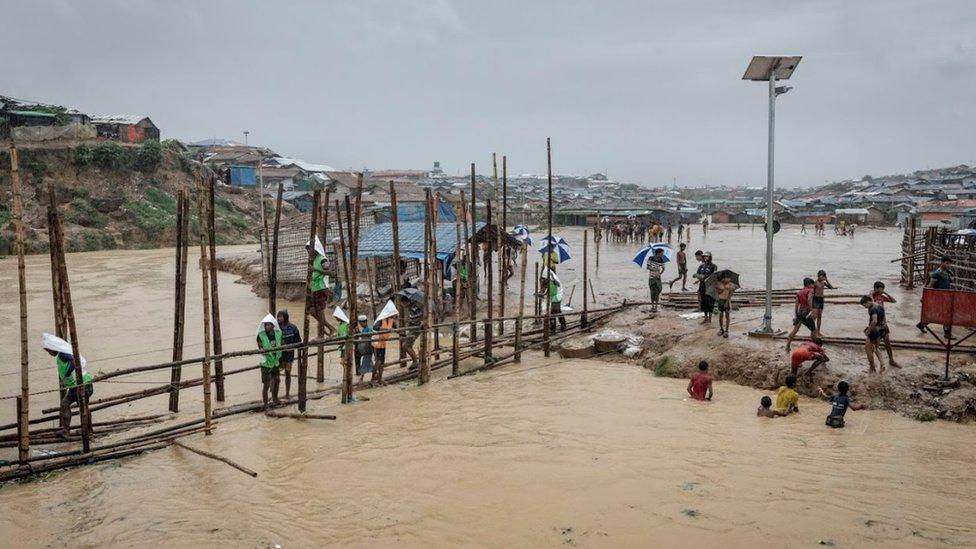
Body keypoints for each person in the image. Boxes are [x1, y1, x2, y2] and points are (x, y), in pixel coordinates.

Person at [43, 333, 93, 437]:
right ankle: (85, 430)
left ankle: (78, 431)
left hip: (80, 384)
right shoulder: (63, 352)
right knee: (79, 406)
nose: (49, 353)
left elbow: (75, 361)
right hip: (80, 384)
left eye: (49, 350)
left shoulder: (62, 354)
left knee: (74, 406)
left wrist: (66, 374)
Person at [917, 256, 953, 335]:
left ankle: (921, 325)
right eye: (947, 263)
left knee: (940, 314)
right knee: (944, 314)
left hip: (946, 297)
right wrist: (924, 297)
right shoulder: (937, 273)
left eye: (949, 264)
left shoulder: (946, 272)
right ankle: (947, 333)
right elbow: (930, 285)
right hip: (939, 297)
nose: (948, 265)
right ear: (942, 263)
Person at [306, 238, 336, 336]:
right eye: (307, 250)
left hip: (321, 288)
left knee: (319, 311)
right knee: (311, 310)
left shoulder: (322, 259)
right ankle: (329, 328)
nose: (308, 252)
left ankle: (323, 333)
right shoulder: (313, 260)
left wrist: (315, 270)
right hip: (314, 288)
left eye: (310, 249)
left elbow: (330, 272)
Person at [871, 282, 901, 369]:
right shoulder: (871, 297)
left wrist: (886, 293)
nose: (883, 290)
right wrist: (872, 292)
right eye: (881, 289)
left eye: (883, 289)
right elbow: (869, 301)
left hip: (883, 323)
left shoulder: (882, 297)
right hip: (875, 324)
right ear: (876, 288)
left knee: (887, 341)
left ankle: (891, 360)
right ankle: (872, 365)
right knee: (875, 346)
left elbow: (893, 301)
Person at [257, 314, 283, 408]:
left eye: (268, 325)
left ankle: (275, 398)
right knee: (266, 385)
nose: (266, 327)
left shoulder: (278, 333)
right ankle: (266, 405)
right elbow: (260, 346)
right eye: (265, 325)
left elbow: (282, 343)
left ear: (273, 325)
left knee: (277, 380)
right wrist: (261, 349)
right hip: (266, 363)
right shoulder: (261, 335)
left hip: (275, 361)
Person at [786, 278, 818, 351]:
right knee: (814, 330)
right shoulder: (810, 290)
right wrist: (812, 310)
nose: (813, 286)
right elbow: (809, 300)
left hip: (800, 312)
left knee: (795, 330)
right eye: (812, 284)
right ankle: (814, 347)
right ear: (808, 284)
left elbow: (796, 305)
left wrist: (796, 315)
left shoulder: (799, 293)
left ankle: (787, 345)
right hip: (806, 312)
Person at [276, 309, 301, 399]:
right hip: (278, 356)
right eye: (278, 316)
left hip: (289, 356)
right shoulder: (275, 328)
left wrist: (292, 347)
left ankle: (287, 394)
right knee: (275, 376)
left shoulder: (293, 328)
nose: (279, 318)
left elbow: (299, 342)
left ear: (286, 317)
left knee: (288, 375)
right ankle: (275, 396)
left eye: (281, 316)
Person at [861, 295, 889, 373]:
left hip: (874, 331)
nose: (864, 307)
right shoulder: (879, 305)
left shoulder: (872, 309)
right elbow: (884, 319)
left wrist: (868, 331)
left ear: (868, 301)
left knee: (868, 349)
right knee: (876, 348)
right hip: (882, 330)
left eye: (864, 305)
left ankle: (872, 368)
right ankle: (882, 364)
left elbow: (874, 321)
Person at [540, 268, 567, 332]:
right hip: (554, 298)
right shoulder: (549, 283)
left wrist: (552, 276)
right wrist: (542, 294)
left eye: (545, 279)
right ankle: (562, 325)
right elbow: (547, 291)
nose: (544, 281)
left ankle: (553, 328)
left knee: (553, 313)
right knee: (558, 312)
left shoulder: (553, 281)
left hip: (557, 297)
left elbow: (558, 284)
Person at [372, 309, 396, 379]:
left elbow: (396, 328)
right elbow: (375, 327)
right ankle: (373, 378)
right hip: (376, 343)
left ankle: (380, 378)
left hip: (383, 343)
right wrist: (384, 329)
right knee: (378, 361)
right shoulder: (380, 319)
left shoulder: (391, 321)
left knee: (382, 362)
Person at [694, 252, 717, 324]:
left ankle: (710, 318)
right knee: (703, 302)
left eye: (707, 257)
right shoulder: (702, 266)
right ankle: (705, 318)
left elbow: (714, 275)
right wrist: (698, 276)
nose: (706, 258)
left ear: (710, 257)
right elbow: (697, 274)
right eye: (704, 257)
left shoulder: (713, 266)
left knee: (710, 302)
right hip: (702, 285)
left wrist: (705, 277)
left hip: (710, 286)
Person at [714, 271, 738, 338]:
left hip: (727, 301)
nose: (727, 279)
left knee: (727, 316)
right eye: (725, 278)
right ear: (722, 278)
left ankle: (726, 331)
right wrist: (720, 289)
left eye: (728, 278)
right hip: (720, 300)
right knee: (720, 315)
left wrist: (727, 302)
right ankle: (721, 329)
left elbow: (730, 295)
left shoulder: (731, 285)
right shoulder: (719, 284)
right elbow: (717, 293)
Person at [354, 315, 374, 383]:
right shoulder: (366, 329)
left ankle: (361, 379)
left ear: (364, 322)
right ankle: (375, 375)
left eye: (361, 323)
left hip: (367, 349)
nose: (360, 325)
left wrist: (359, 333)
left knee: (364, 364)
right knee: (369, 363)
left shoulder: (367, 330)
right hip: (367, 349)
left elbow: (365, 339)